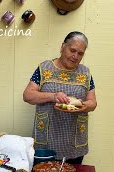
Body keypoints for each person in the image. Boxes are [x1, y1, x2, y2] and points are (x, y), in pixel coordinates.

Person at [23, 31, 97, 164]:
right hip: (46, 139)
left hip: (74, 142)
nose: (75, 56)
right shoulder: (44, 68)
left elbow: (93, 103)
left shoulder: (85, 73)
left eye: (80, 53)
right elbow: (27, 95)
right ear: (62, 47)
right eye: (72, 50)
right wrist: (53, 96)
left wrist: (83, 106)